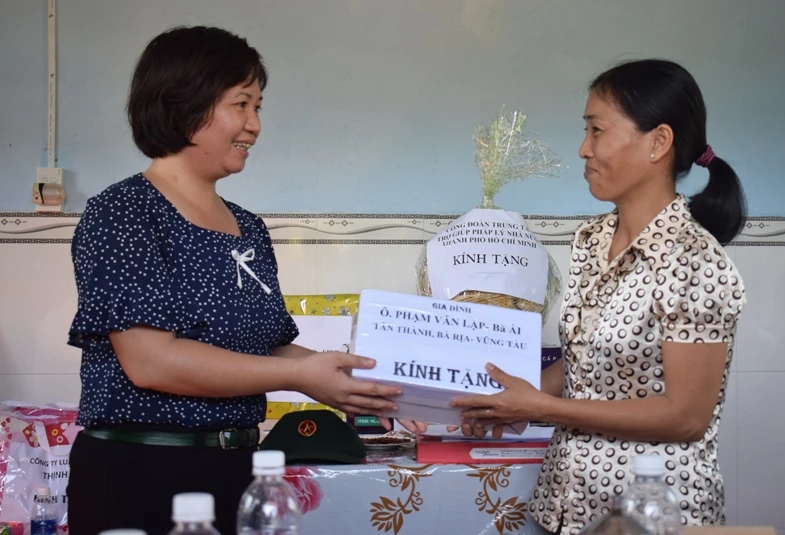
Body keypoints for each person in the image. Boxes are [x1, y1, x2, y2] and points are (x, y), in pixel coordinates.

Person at [65, 26, 407, 535]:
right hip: (140, 472)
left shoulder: (249, 227)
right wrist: (301, 377)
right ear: (183, 104)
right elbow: (151, 361)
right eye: (241, 104)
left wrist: (362, 383)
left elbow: (271, 348)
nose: (255, 125)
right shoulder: (124, 212)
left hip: (238, 470)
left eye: (258, 107)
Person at [451, 59, 746, 534]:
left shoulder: (695, 260)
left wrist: (541, 408)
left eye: (597, 130)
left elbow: (686, 416)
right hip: (567, 504)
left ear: (658, 142)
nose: (583, 148)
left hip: (654, 512)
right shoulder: (591, 240)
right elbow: (583, 364)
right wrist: (506, 400)